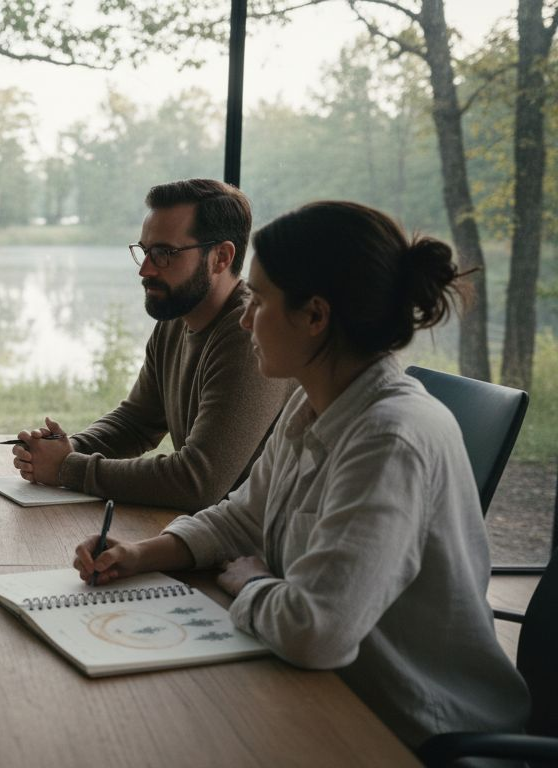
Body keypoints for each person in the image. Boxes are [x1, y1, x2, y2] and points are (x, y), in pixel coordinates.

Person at [74, 201, 528, 748]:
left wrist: (252, 583)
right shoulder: (316, 399)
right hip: (332, 691)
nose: (243, 319)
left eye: (259, 301)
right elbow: (245, 515)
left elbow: (315, 632)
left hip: (415, 731)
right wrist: (140, 554)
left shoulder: (389, 438)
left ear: (315, 316)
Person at [13, 179, 293, 510]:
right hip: (206, 536)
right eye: (145, 251)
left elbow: (197, 482)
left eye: (163, 254)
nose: (145, 269)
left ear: (220, 257)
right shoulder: (175, 318)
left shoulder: (250, 335)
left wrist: (67, 468)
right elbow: (135, 423)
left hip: (257, 551)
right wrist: (65, 448)